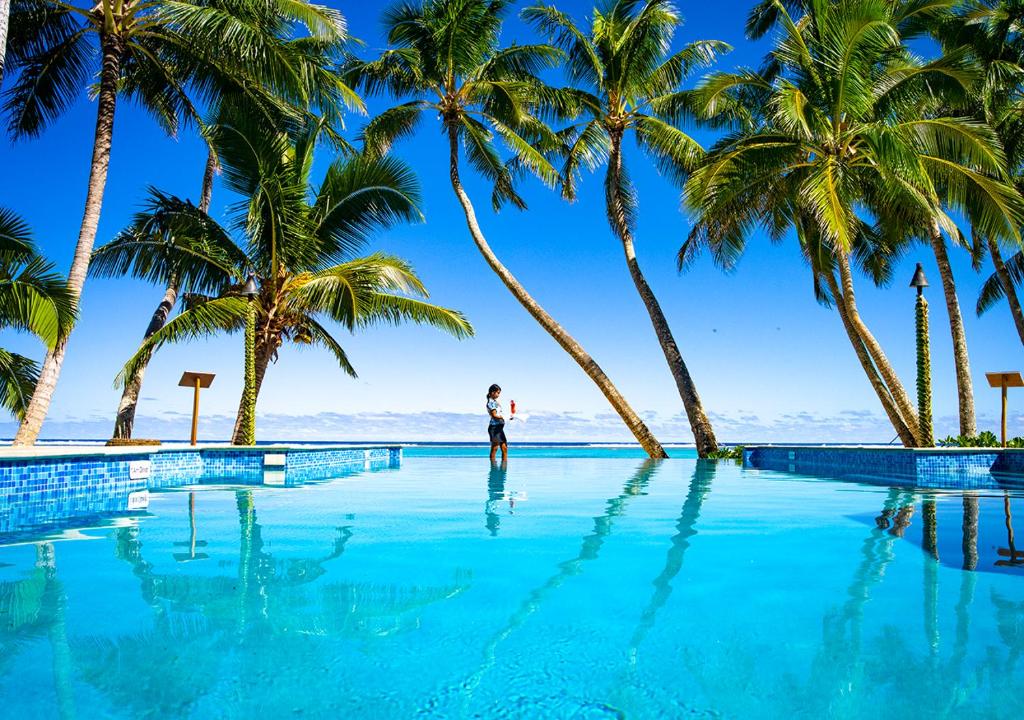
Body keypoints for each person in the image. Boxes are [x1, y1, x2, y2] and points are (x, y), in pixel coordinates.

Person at [486, 383, 508, 462]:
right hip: (494, 428)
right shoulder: (491, 403)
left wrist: (508, 417)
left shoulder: (496, 402)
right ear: (492, 392)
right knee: (495, 448)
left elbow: (499, 414)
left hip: (499, 428)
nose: (498, 395)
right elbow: (494, 415)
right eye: (498, 393)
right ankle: (493, 469)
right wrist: (504, 417)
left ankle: (504, 469)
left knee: (504, 448)